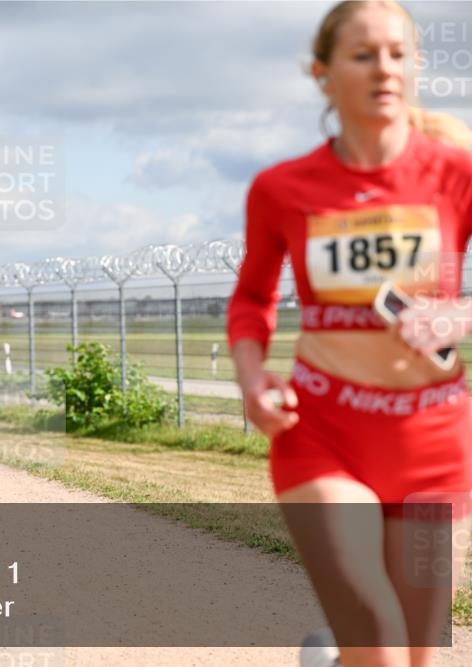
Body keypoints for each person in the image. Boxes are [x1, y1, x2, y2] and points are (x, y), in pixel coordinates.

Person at [227, 2, 472, 666]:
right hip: (323, 429)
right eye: (363, 55)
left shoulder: (456, 175)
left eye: (397, 53)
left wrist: (461, 314)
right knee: (378, 635)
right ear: (323, 73)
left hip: (431, 440)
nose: (384, 69)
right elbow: (251, 298)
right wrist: (254, 380)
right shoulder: (282, 189)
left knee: (418, 656)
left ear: (416, 66)